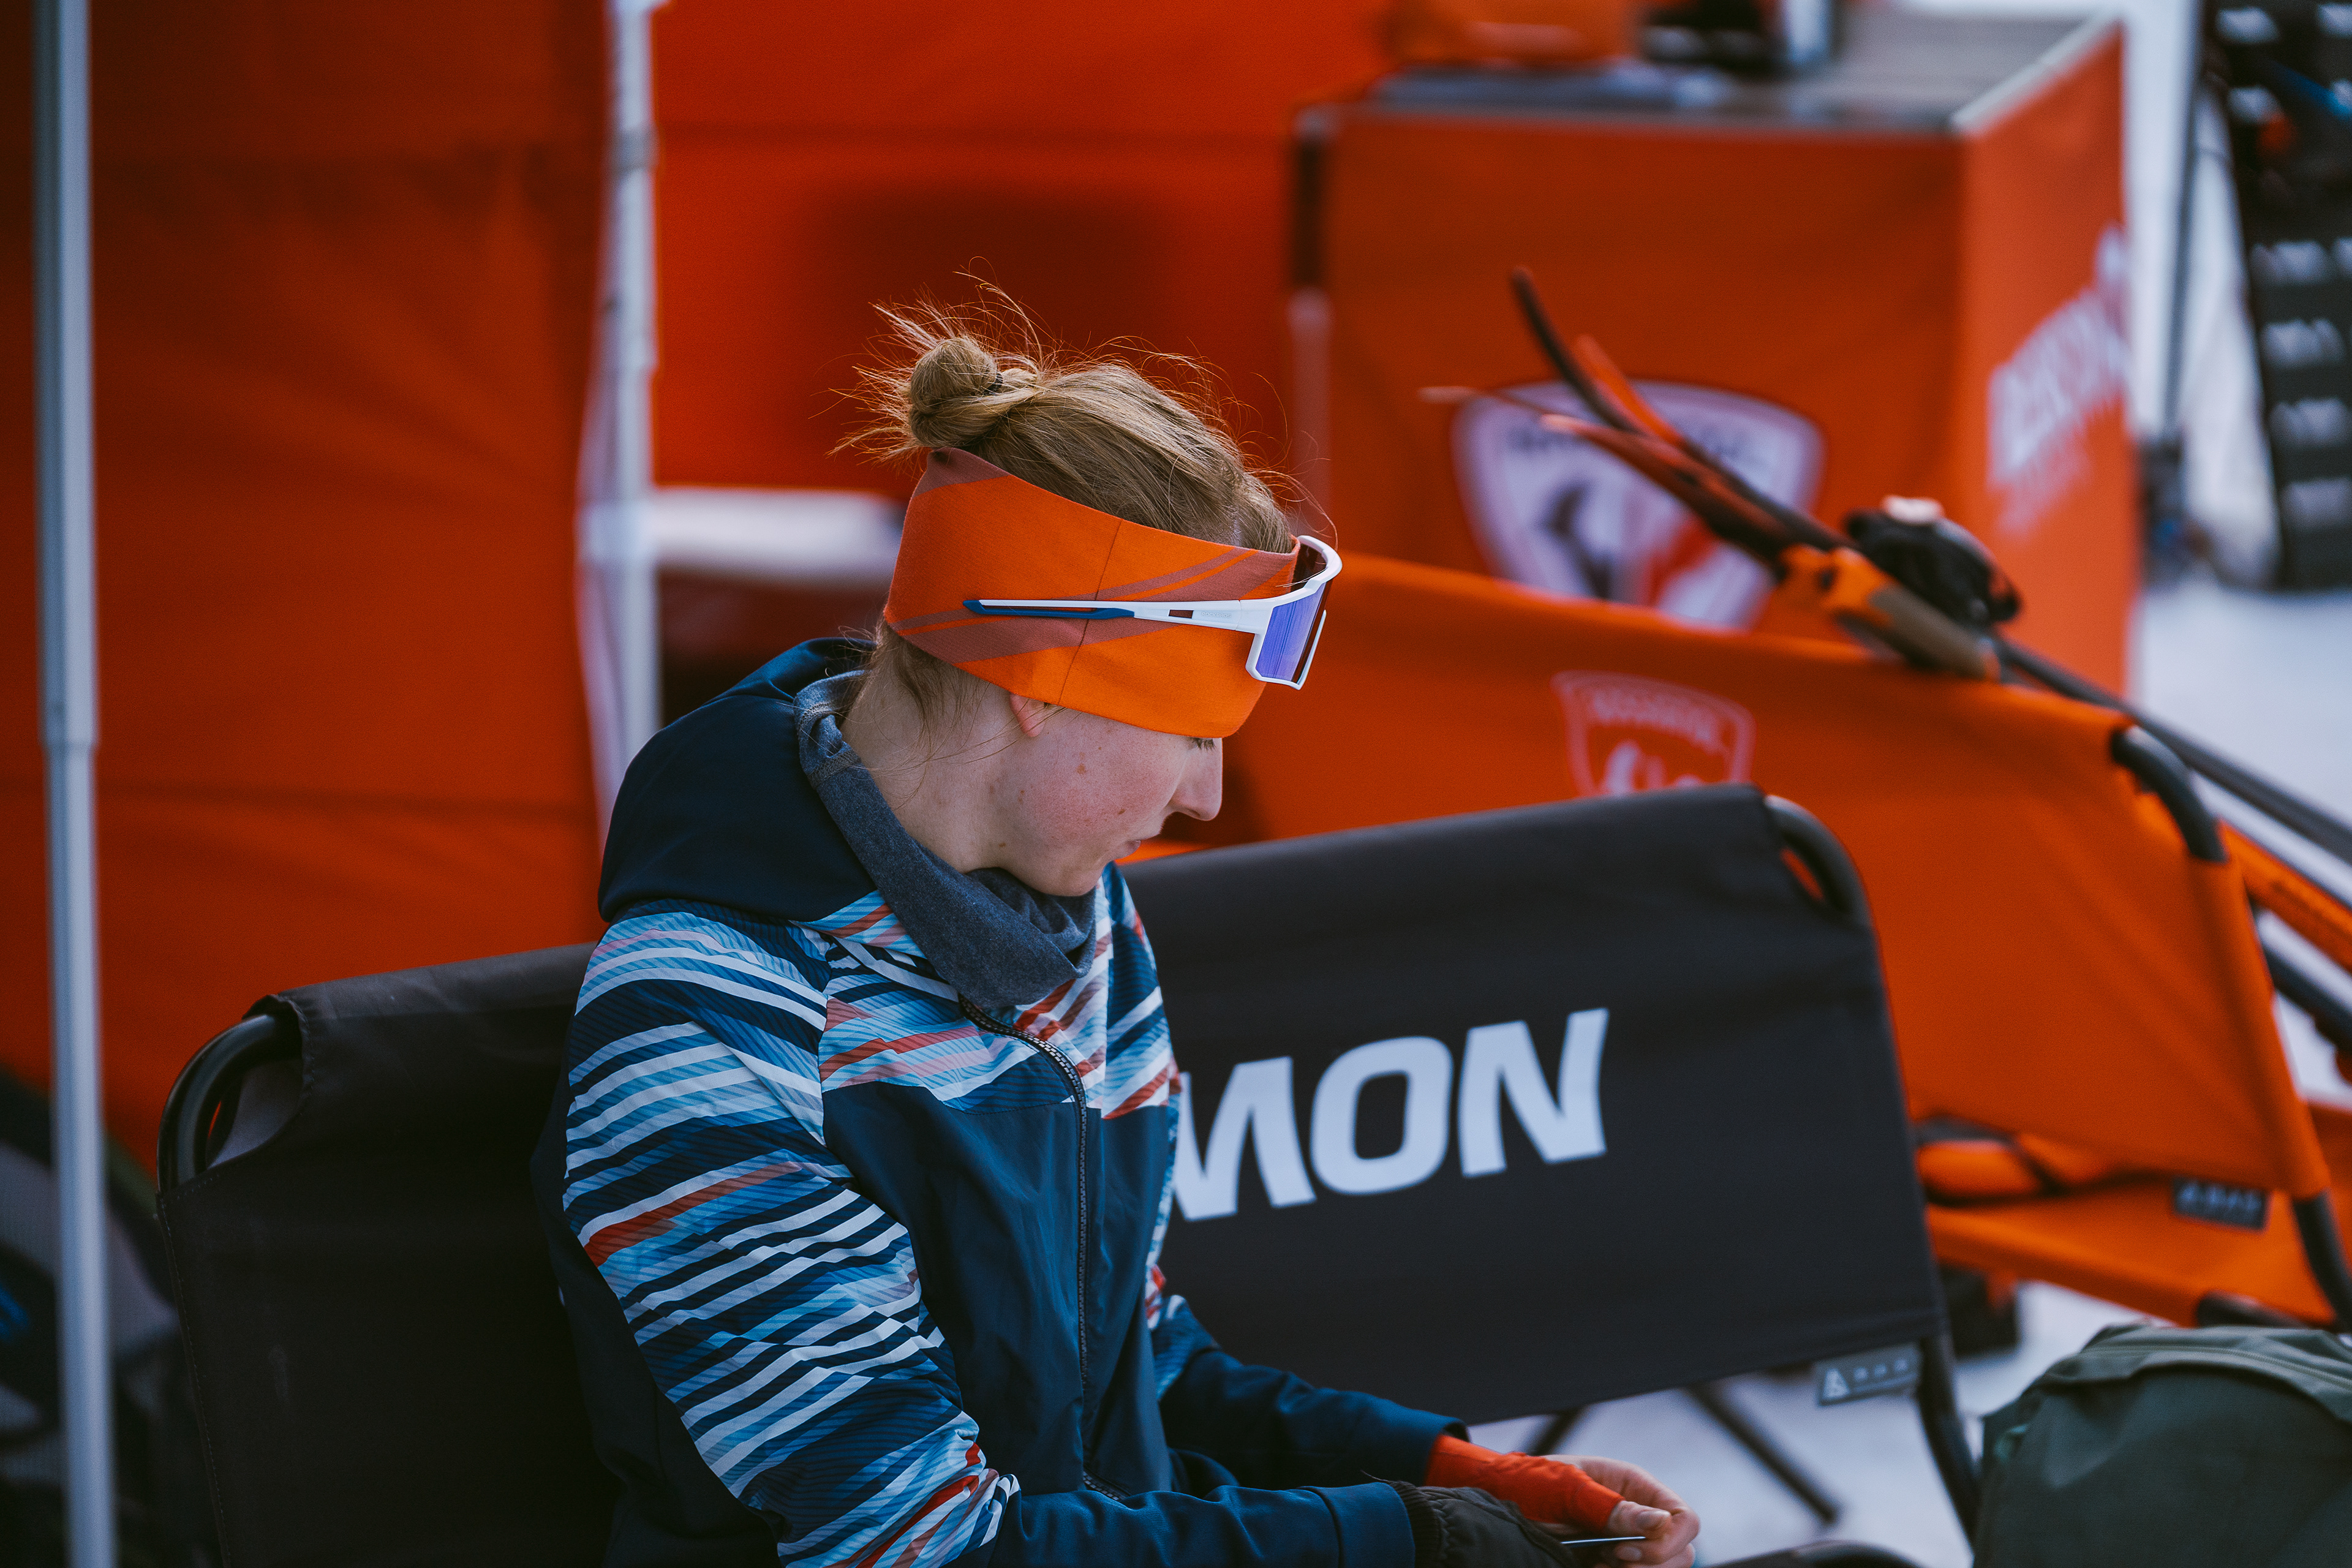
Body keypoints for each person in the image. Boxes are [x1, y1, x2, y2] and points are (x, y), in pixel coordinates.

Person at [530, 306, 1702, 1568]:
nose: (1204, 795)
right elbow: (928, 1547)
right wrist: (1410, 1540)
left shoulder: (1077, 921)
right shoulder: (708, 1030)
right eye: (1195, 731)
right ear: (1044, 679)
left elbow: (1129, 1360)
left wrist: (1459, 1473)